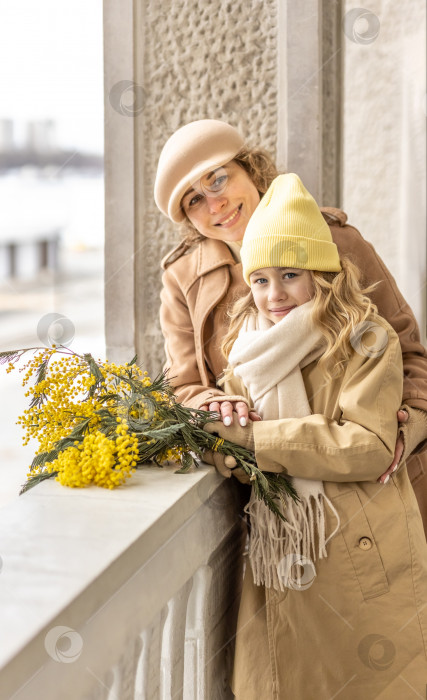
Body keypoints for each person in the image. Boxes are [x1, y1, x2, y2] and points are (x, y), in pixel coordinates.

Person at [203, 172, 427, 698]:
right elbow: (226, 441)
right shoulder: (249, 348)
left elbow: (368, 446)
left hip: (355, 549)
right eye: (259, 280)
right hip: (284, 553)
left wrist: (253, 441)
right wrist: (224, 431)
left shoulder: (364, 337)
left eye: (289, 275)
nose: (273, 295)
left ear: (321, 274)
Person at [154, 119, 427, 529]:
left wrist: (414, 418)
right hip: (273, 500)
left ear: (251, 169)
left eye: (218, 180)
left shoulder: (335, 241)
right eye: (193, 201)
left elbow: (405, 348)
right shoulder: (182, 277)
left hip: (378, 490)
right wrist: (213, 405)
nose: (214, 205)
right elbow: (182, 385)